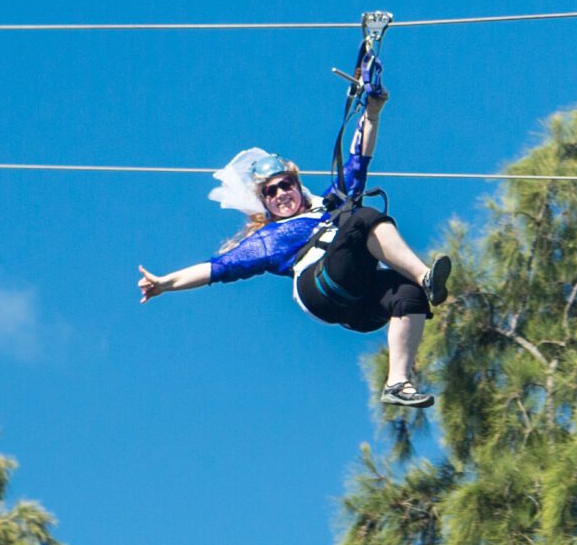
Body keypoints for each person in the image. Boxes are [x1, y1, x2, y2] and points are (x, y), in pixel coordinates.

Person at [136, 68, 451, 409]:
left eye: (286, 184)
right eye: (271, 192)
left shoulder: (331, 203)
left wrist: (372, 112)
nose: (281, 193)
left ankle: (397, 383)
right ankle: (425, 275)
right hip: (318, 288)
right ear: (266, 203)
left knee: (408, 294)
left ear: (298, 185)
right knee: (362, 219)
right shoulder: (269, 239)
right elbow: (216, 269)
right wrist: (164, 283)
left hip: (356, 308)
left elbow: (358, 159)